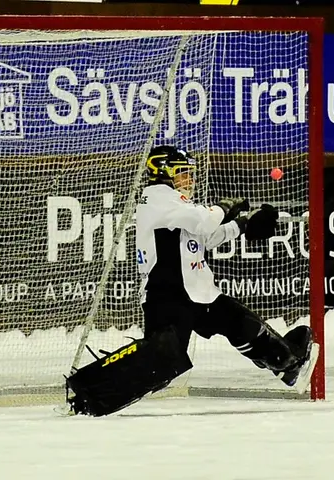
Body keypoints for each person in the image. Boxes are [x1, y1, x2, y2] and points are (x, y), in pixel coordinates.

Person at [66, 145, 319, 417]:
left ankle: (285, 365)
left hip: (198, 292)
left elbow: (205, 237)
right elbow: (205, 221)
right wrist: (225, 208)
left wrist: (243, 225)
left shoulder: (177, 204)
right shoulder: (158, 200)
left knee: (241, 324)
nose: (189, 179)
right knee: (161, 362)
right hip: (168, 295)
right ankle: (88, 393)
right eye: (182, 173)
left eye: (189, 173)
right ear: (162, 174)